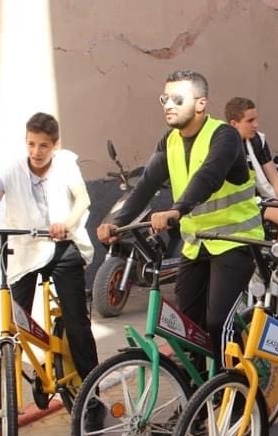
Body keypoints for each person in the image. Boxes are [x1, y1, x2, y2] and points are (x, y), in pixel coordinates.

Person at [0, 112, 103, 432]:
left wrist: (66, 224)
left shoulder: (66, 164)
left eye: (43, 145)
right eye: (31, 144)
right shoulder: (14, 170)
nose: (36, 151)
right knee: (12, 325)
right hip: (25, 251)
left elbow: (82, 200)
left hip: (62, 248)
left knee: (77, 323)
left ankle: (92, 397)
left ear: (55, 145)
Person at [97, 70, 263, 360]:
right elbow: (147, 184)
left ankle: (235, 384)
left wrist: (176, 210)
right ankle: (199, 384)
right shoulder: (170, 141)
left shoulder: (224, 136)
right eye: (165, 99)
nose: (168, 105)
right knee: (185, 325)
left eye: (177, 99)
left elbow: (208, 176)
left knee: (217, 322)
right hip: (196, 243)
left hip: (236, 240)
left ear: (201, 104)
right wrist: (117, 222)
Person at [225, 97, 278, 302]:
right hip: (237, 205)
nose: (256, 125)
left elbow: (274, 176)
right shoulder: (223, 144)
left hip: (259, 200)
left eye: (256, 119)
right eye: (250, 121)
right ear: (234, 124)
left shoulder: (257, 140)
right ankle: (272, 271)